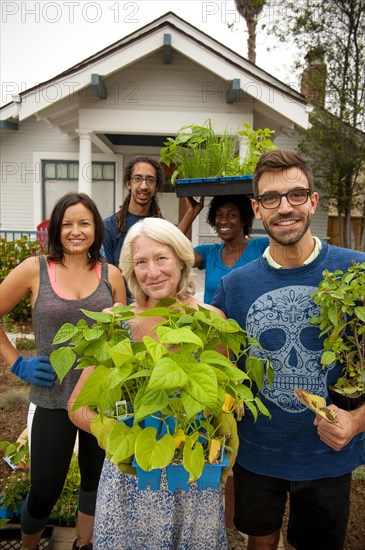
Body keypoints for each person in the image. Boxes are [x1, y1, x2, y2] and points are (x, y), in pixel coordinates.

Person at [212, 149, 365, 550]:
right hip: (257, 452)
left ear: (313, 201)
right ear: (257, 209)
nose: (285, 208)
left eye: (296, 195)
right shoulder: (235, 286)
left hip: (328, 454)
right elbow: (213, 363)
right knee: (259, 542)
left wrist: (357, 421)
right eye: (271, 198)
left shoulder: (357, 274)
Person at [68, 217, 232, 550]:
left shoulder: (210, 320)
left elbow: (222, 403)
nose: (152, 271)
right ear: (131, 270)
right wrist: (119, 434)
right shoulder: (117, 322)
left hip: (191, 473)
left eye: (161, 258)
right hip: (132, 477)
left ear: (181, 260)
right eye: (141, 262)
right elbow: (76, 406)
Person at [0, 192, 126, 550]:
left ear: (95, 230)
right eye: (67, 223)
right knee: (43, 490)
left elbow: (122, 336)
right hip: (52, 399)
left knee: (94, 484)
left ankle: (83, 545)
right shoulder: (34, 269)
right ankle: (28, 546)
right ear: (56, 229)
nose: (75, 231)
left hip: (98, 402)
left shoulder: (111, 276)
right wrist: (18, 363)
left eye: (84, 223)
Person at [179, 195, 269, 303]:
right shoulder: (208, 253)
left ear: (244, 219)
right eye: (219, 215)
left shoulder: (261, 246)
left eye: (231, 215)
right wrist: (191, 212)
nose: (223, 221)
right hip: (212, 320)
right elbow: (170, 254)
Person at [102, 156, 164, 267]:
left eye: (150, 180)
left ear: (156, 186)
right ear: (128, 184)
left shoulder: (162, 227)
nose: (144, 186)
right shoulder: (109, 227)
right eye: (137, 178)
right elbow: (106, 275)